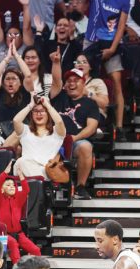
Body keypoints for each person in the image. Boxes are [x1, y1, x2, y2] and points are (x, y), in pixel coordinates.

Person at [51, 68, 100, 199]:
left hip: (76, 141)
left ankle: (80, 187)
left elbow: (92, 127)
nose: (72, 83)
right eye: (69, 81)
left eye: (76, 81)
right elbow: (56, 81)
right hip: (53, 140)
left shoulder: (90, 104)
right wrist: (56, 63)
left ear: (83, 84)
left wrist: (74, 138)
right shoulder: (58, 97)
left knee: (86, 147)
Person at [84, 0, 130, 140]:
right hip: (92, 40)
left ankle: (120, 126)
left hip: (112, 42)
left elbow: (121, 26)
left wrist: (112, 49)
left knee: (117, 81)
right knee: (83, 77)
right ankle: (84, 119)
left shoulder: (124, 1)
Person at [12, 95, 66, 180]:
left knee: (21, 162)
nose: (39, 114)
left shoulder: (56, 132)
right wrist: (30, 105)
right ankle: (36, 187)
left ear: (48, 113)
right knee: (21, 162)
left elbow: (59, 121)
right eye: (35, 111)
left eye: (42, 111)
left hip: (46, 170)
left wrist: (48, 105)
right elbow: (16, 120)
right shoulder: (25, 130)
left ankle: (36, 186)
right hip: (25, 167)